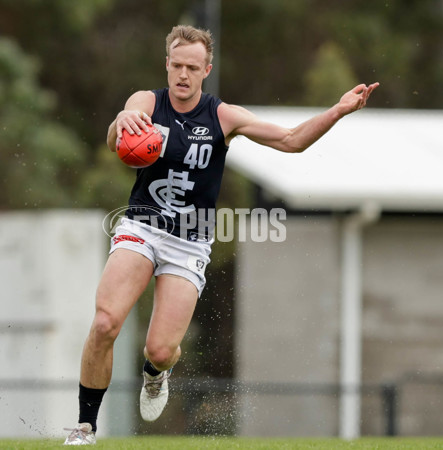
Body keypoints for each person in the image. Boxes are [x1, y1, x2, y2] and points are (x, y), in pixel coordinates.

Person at [63, 24, 379, 445]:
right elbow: (114, 140)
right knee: (105, 323)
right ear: (167, 64)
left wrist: (337, 111)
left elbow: (289, 141)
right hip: (142, 226)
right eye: (176, 65)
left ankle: (157, 375)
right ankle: (85, 426)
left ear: (206, 69)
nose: (183, 75)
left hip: (189, 241)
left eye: (192, 67)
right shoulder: (145, 102)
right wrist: (120, 121)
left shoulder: (222, 116)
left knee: (159, 350)